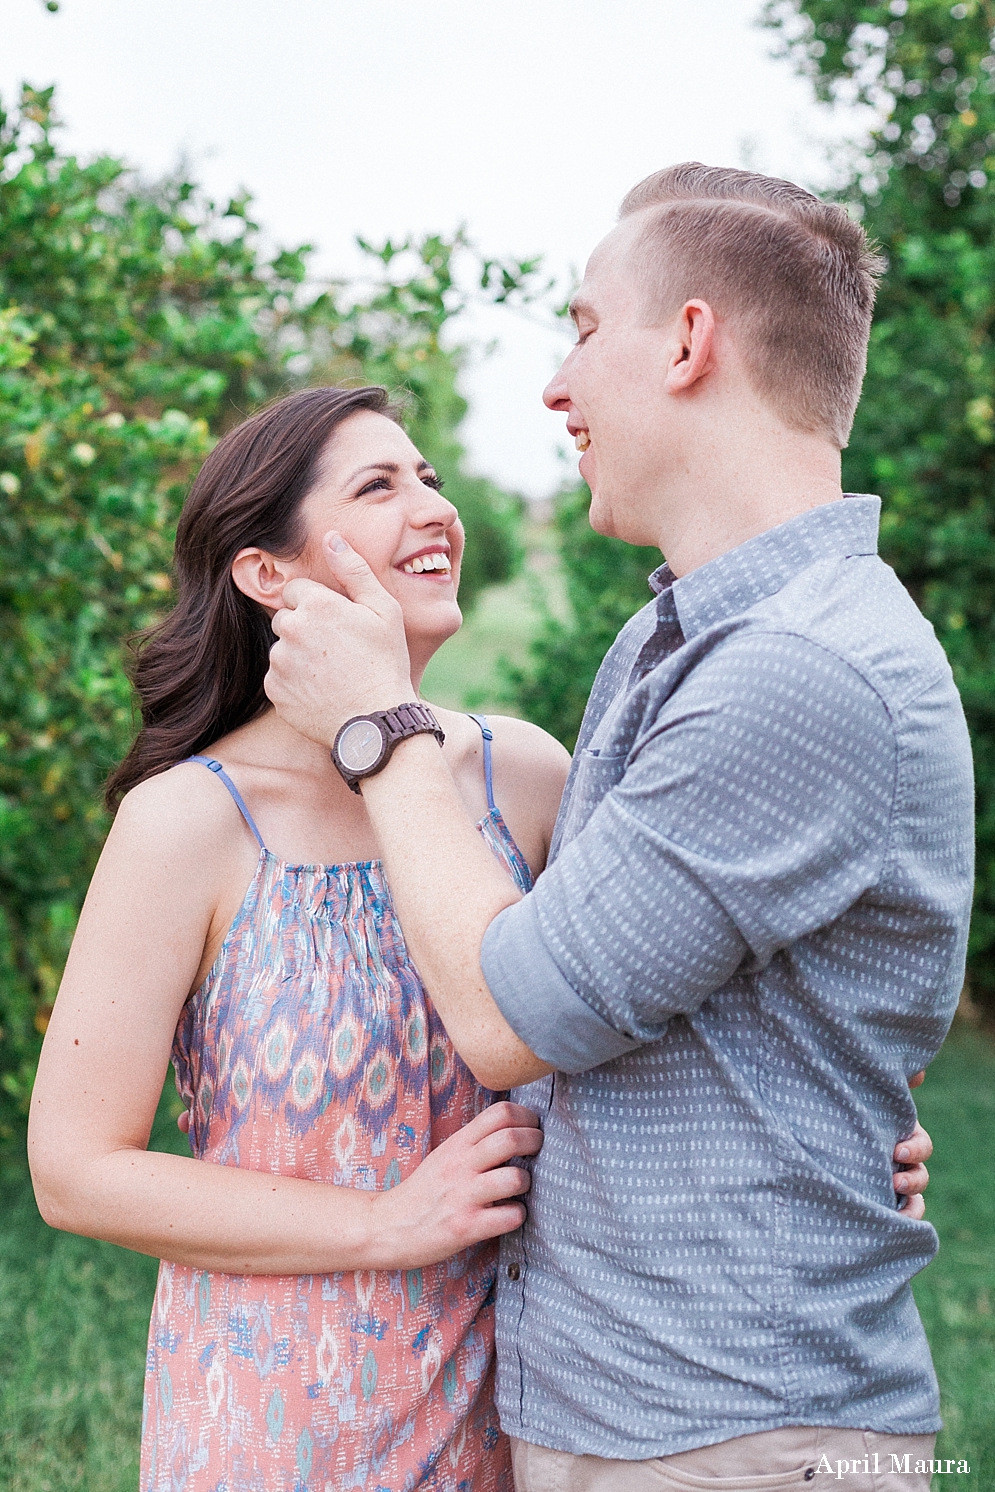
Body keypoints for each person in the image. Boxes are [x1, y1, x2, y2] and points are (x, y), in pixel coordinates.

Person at [262, 166, 972, 1492]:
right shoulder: (689, 638)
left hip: (727, 1432)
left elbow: (507, 1013)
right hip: (653, 1411)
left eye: (584, 330)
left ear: (689, 342)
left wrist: (378, 726)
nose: (553, 387)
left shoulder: (794, 671)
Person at [27, 385, 570, 1491]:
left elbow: (636, 1011)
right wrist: (384, 1222)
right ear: (265, 573)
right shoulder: (188, 820)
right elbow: (75, 1172)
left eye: (428, 476)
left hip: (519, 1411)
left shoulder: (524, 778)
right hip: (274, 1427)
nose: (434, 508)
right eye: (379, 486)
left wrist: (830, 1135)